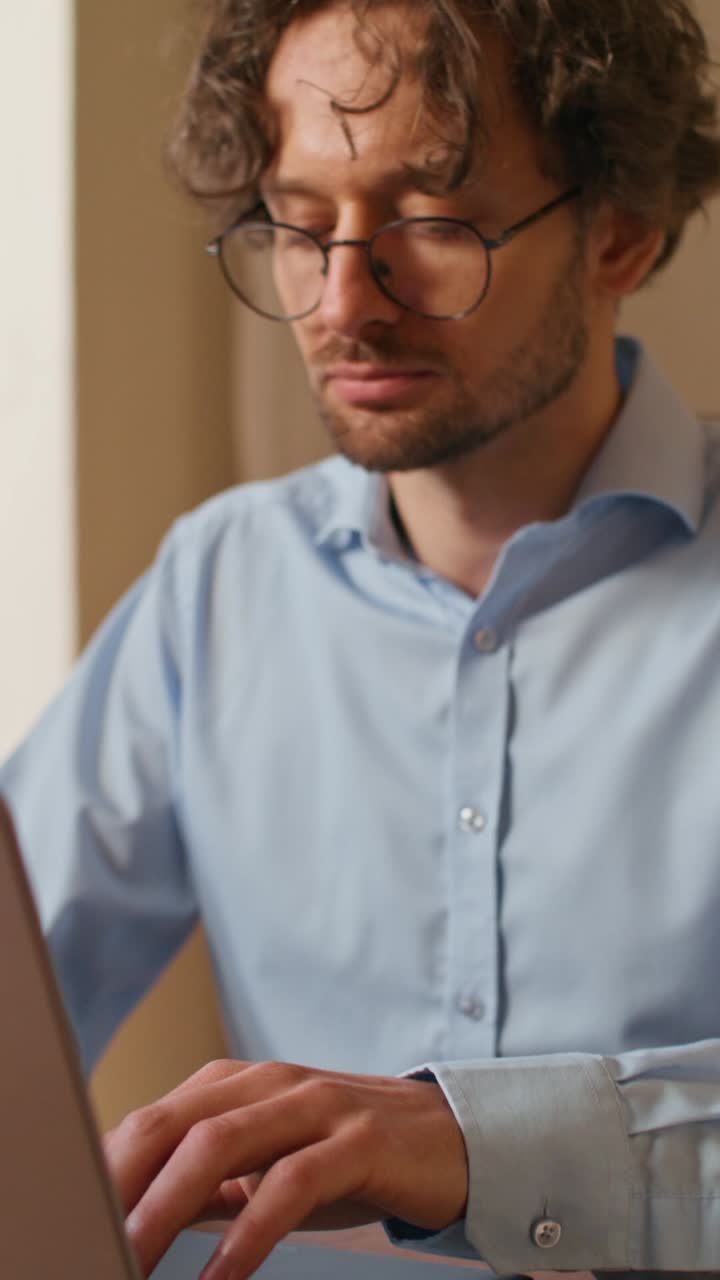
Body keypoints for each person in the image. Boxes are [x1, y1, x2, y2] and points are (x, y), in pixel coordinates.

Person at [3, 0, 720, 1277]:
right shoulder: (217, 585)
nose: (344, 299)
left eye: (433, 220)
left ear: (619, 230)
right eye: (297, 220)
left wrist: (480, 1140)